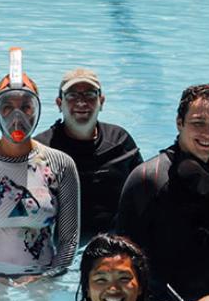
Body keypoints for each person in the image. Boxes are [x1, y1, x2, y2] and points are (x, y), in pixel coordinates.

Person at [0, 50, 80, 281]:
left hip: (43, 283)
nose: (17, 116)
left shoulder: (61, 164)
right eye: (7, 107)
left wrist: (46, 279)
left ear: (36, 110)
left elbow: (69, 239)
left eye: (26, 106)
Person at [115, 84, 209, 301]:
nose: (207, 134)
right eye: (198, 123)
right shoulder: (149, 178)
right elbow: (121, 252)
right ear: (179, 123)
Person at [34, 68, 143, 245]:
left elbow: (142, 195)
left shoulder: (120, 142)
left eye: (90, 95)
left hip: (111, 249)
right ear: (59, 103)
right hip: (58, 250)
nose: (82, 102)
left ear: (101, 101)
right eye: (72, 95)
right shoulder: (42, 150)